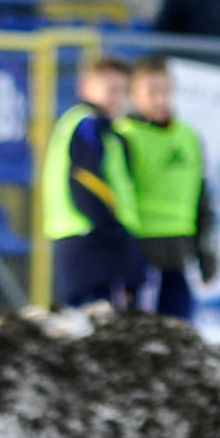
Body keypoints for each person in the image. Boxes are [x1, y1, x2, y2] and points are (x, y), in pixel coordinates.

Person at [40, 56, 145, 310]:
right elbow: (86, 180)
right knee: (95, 321)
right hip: (90, 235)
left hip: (86, 233)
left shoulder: (97, 127)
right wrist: (112, 228)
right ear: (85, 88)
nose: (116, 98)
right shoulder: (89, 124)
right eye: (110, 90)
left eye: (122, 91)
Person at [116, 56, 216, 320]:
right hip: (140, 252)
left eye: (165, 91)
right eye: (151, 93)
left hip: (178, 251)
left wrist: (204, 252)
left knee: (180, 332)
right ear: (134, 95)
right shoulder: (124, 136)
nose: (160, 100)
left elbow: (201, 196)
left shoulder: (188, 136)